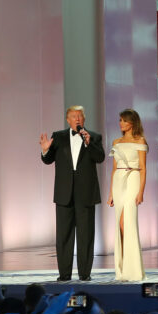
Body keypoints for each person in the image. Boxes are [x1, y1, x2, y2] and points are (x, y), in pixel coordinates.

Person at [40, 105, 105, 282]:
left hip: (86, 193)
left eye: (80, 116)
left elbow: (100, 158)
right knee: (64, 235)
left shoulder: (94, 137)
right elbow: (48, 160)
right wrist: (45, 149)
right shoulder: (58, 136)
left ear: (84, 120)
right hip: (64, 193)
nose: (77, 119)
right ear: (67, 120)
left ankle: (85, 274)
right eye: (73, 116)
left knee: (86, 235)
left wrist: (89, 142)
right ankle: (64, 274)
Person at [108, 108, 147, 281]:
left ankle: (133, 269)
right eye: (120, 120)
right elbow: (114, 168)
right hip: (118, 180)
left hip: (133, 178)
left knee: (127, 222)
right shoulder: (116, 141)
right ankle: (122, 269)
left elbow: (144, 168)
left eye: (124, 120)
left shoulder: (140, 140)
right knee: (119, 224)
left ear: (132, 123)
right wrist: (110, 193)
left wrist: (141, 192)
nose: (121, 123)